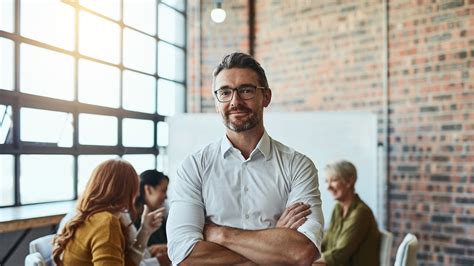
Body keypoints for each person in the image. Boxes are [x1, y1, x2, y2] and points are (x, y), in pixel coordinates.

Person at [167, 52, 324, 265]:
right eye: (225, 92)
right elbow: (183, 255)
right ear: (216, 101)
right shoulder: (194, 167)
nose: (235, 101)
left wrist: (219, 234)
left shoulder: (298, 166)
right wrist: (275, 242)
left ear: (266, 97)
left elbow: (302, 252)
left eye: (246, 91)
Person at [53, 159, 164, 266]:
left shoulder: (90, 215)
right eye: (135, 187)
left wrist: (145, 231)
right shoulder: (106, 222)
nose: (138, 194)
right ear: (126, 191)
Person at [317, 160, 380, 266]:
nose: (328, 187)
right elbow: (326, 243)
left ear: (349, 181)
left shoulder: (361, 213)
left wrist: (302, 261)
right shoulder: (338, 209)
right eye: (326, 181)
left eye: (334, 180)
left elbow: (339, 255)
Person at [134, 169, 170, 265]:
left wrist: (166, 246)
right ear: (148, 189)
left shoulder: (162, 217)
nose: (166, 197)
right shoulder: (130, 220)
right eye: (163, 190)